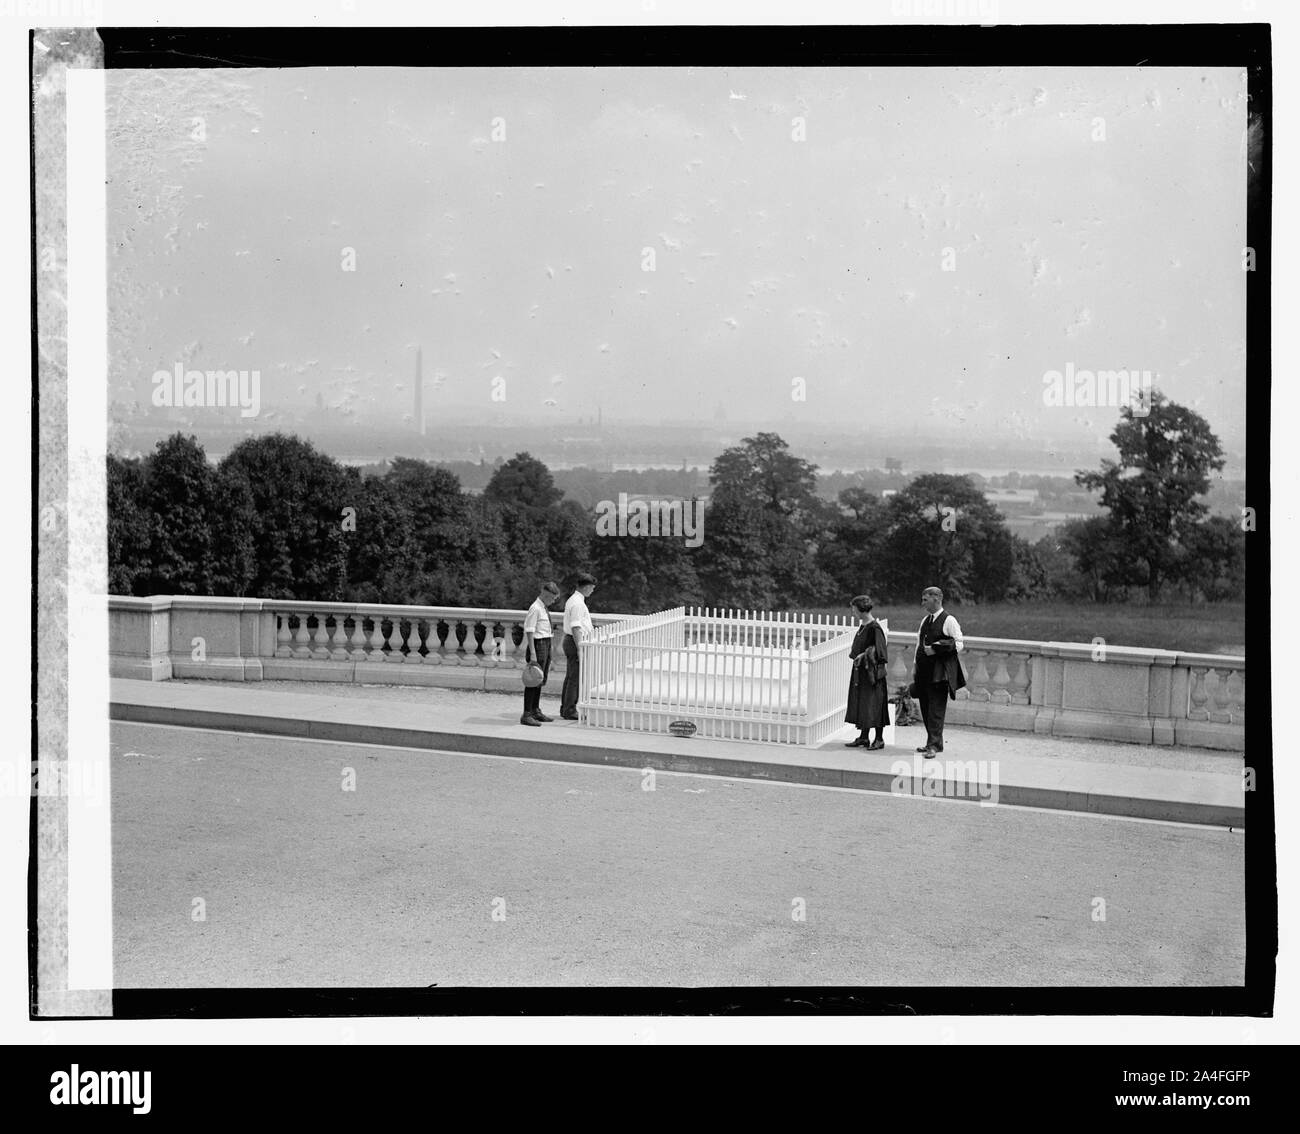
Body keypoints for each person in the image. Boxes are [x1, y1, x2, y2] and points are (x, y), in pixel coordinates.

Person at [911, 585, 966, 754]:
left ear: (937, 599)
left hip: (939, 673)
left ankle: (934, 745)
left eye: (925, 599)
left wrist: (936, 648)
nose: (923, 603)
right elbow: (919, 644)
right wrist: (915, 665)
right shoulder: (925, 621)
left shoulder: (949, 620)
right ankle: (932, 743)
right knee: (926, 708)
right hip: (924, 672)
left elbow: (959, 643)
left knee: (936, 710)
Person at [844, 595, 890, 749]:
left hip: (872, 673)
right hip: (861, 671)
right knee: (864, 703)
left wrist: (864, 655)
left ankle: (879, 739)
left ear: (862, 610)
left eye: (854, 609)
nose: (853, 612)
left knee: (874, 703)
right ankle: (864, 737)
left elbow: (881, 652)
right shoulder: (864, 625)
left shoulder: (874, 627)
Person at [521, 580, 561, 726]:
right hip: (538, 645)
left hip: (545, 643)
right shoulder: (535, 608)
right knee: (533, 680)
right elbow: (530, 630)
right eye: (552, 598)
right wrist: (532, 652)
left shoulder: (543, 607)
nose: (553, 601)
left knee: (540, 680)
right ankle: (526, 714)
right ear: (545, 594)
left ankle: (535, 710)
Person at [560, 572, 597, 720]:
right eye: (592, 588)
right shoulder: (577, 603)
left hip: (571, 641)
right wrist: (580, 648)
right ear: (587, 587)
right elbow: (576, 627)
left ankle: (566, 708)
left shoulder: (574, 600)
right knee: (574, 678)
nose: (593, 591)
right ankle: (569, 710)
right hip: (575, 642)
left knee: (571, 677)